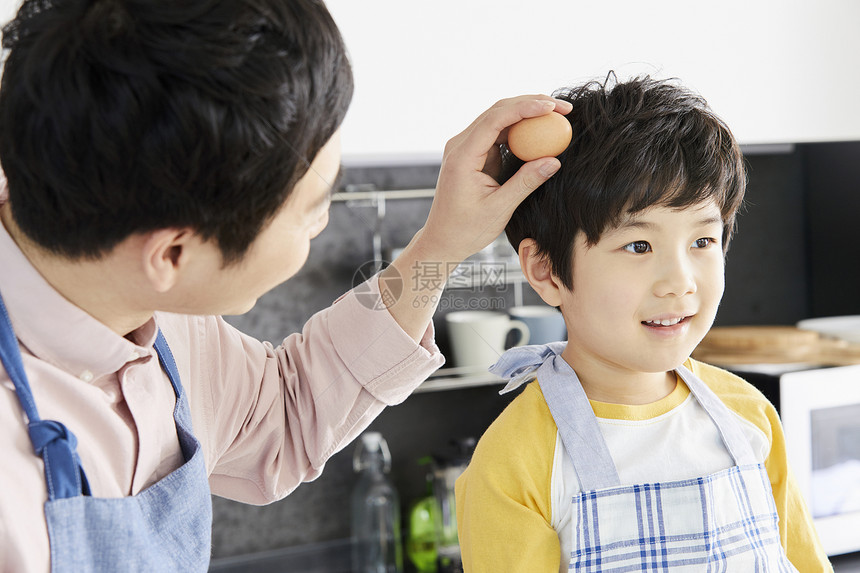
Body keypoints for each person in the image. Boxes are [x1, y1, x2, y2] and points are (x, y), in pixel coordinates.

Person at [0, 0, 573, 570]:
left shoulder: (154, 310)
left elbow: (285, 412)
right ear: (174, 253)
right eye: (310, 211)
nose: (322, 223)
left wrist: (442, 245)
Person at [454, 75, 832, 572]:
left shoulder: (749, 417)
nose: (680, 282)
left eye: (702, 242)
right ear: (545, 270)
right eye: (638, 246)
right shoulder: (516, 462)